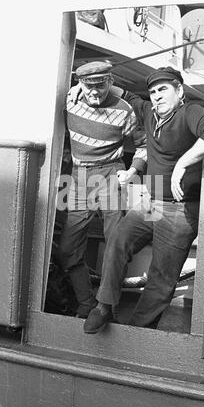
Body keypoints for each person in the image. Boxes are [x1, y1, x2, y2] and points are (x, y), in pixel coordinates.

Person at [81, 66, 204, 333]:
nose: (157, 96)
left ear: (179, 91)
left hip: (180, 210)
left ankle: (137, 332)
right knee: (118, 240)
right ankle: (104, 306)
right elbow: (124, 92)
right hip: (150, 203)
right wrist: (86, 84)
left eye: (163, 89)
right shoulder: (148, 111)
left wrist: (184, 163)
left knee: (161, 278)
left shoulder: (190, 112)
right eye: (153, 91)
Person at [54, 61, 147, 319]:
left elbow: (143, 146)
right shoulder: (69, 100)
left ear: (110, 82)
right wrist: (73, 88)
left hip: (111, 174)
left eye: (101, 86)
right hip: (78, 177)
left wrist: (131, 172)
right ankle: (86, 302)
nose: (95, 93)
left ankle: (107, 308)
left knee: (116, 244)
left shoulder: (125, 110)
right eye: (89, 86)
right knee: (67, 250)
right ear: (80, 84)